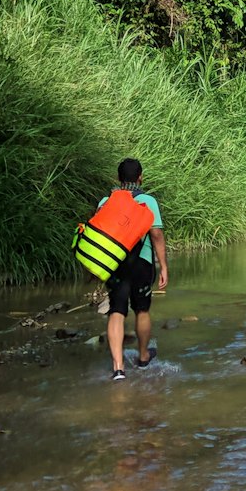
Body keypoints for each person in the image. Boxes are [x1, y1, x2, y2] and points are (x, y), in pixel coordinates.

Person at [99, 158, 168, 381]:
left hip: (114, 266)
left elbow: (98, 238)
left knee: (117, 311)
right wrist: (164, 265)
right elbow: (156, 235)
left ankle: (118, 368)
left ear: (118, 179)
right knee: (142, 309)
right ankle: (144, 356)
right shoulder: (147, 201)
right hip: (141, 264)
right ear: (140, 177)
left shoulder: (105, 202)